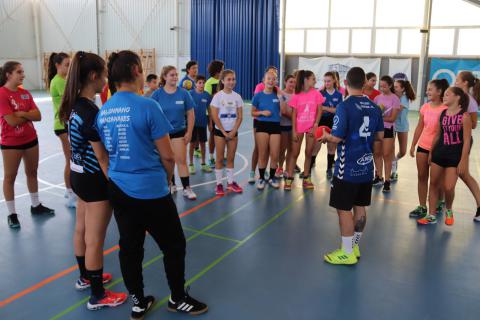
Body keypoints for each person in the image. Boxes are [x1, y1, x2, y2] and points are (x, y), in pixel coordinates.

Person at [97, 50, 208, 319]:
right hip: (151, 191)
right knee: (173, 245)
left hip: (120, 189)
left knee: (130, 247)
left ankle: (137, 300)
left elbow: (105, 155)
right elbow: (168, 155)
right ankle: (178, 298)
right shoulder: (148, 106)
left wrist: (118, 178)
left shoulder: (104, 111)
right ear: (137, 70)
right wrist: (166, 181)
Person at [58, 51, 127, 310]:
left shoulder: (73, 104)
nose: (107, 80)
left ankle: (86, 276)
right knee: (95, 238)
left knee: (82, 229)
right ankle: (98, 295)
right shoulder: (90, 112)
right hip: (94, 181)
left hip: (78, 177)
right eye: (105, 75)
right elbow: (103, 158)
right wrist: (116, 185)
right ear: (94, 76)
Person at [321, 67, 384, 265]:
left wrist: (325, 136)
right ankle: (354, 246)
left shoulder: (344, 106)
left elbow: (337, 137)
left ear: (345, 83)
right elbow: (380, 137)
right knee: (360, 207)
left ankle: (346, 252)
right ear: (365, 83)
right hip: (366, 167)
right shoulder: (374, 107)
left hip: (347, 167)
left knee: (343, 209)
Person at [0, 61, 54, 228]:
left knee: (32, 172)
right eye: (19, 72)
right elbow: (10, 120)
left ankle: (36, 205)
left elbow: (38, 115)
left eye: (22, 71)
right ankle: (12, 214)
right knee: (10, 177)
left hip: (31, 139)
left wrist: (22, 113)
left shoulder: (25, 94)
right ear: (8, 74)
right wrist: (27, 115)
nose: (23, 74)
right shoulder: (2, 94)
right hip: (11, 142)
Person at [418, 87, 471, 226]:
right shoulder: (443, 114)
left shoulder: (464, 116)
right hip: (439, 153)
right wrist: (431, 152)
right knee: (433, 184)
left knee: (448, 187)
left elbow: (466, 141)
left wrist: (464, 160)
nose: (444, 96)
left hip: (454, 156)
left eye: (447, 94)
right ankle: (431, 215)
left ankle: (449, 209)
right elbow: (438, 135)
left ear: (457, 97)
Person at [151, 66, 197, 200]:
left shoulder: (184, 93)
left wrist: (189, 132)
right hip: (161, 134)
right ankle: (170, 184)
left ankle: (187, 188)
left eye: (176, 75)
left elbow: (191, 114)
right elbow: (152, 115)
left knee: (181, 160)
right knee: (166, 160)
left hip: (179, 132)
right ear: (164, 77)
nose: (175, 77)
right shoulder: (157, 94)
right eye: (172, 75)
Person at [409, 79, 449, 219]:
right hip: (422, 146)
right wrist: (413, 144)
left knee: (435, 180)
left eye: (430, 89)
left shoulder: (445, 109)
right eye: (427, 89)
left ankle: (438, 201)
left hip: (438, 149)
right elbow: (420, 126)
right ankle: (422, 206)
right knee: (422, 176)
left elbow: (440, 132)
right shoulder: (425, 107)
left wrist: (433, 151)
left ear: (439, 92)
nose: (427, 92)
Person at [284, 70, 324, 190]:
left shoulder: (316, 94)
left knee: (309, 153)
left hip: (311, 128)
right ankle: (289, 178)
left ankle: (306, 177)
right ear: (306, 80)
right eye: (313, 78)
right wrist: (294, 131)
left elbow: (320, 110)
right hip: (299, 128)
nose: (315, 81)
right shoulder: (296, 95)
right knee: (294, 153)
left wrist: (315, 125)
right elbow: (293, 115)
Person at [48, 52, 77, 208]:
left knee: (72, 158)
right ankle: (70, 192)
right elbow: (70, 100)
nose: (69, 67)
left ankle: (70, 190)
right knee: (70, 159)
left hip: (66, 124)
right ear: (57, 65)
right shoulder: (58, 81)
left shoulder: (63, 80)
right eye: (67, 64)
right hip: (62, 125)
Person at [210, 69, 243, 195]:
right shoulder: (217, 97)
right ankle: (219, 184)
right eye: (228, 79)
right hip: (220, 132)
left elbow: (240, 116)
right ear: (222, 81)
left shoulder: (237, 97)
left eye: (233, 79)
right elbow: (215, 116)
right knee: (219, 158)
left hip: (233, 131)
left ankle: (230, 182)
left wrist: (233, 130)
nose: (231, 81)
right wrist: (223, 132)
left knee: (231, 158)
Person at [455, 71, 480, 222]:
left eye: (458, 80)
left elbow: (474, 124)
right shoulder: (455, 96)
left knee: (463, 173)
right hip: (450, 140)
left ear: (465, 83)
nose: (455, 81)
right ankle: (441, 202)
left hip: (462, 140)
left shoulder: (470, 101)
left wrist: (463, 120)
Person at [251, 71, 282, 190]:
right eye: (268, 79)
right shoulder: (258, 96)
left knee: (274, 154)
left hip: (275, 125)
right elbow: (252, 112)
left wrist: (281, 97)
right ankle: (261, 178)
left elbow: (284, 109)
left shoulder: (278, 95)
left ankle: (272, 177)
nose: (271, 81)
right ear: (264, 80)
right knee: (262, 153)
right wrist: (262, 112)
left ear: (276, 81)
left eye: (273, 79)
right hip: (262, 125)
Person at [311, 72, 342, 180]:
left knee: (331, 146)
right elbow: (317, 109)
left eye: (328, 81)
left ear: (334, 81)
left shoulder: (338, 95)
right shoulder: (320, 93)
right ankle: (310, 164)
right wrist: (326, 109)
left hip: (333, 122)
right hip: (322, 121)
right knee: (316, 145)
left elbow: (337, 110)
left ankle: (329, 169)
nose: (326, 83)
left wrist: (324, 108)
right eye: (324, 81)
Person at [373, 76, 401, 193]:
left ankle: (387, 181)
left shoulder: (395, 99)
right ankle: (379, 177)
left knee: (386, 155)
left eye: (384, 86)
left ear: (390, 85)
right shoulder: (377, 98)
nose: (382, 88)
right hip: (377, 129)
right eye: (381, 86)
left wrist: (381, 116)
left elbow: (393, 118)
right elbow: (374, 115)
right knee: (377, 153)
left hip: (388, 130)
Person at [391, 79, 416, 181]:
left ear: (402, 89)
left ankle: (395, 161)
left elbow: (395, 111)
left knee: (403, 152)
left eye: (396, 87)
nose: (394, 88)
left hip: (402, 126)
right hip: (391, 126)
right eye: (394, 86)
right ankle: (393, 171)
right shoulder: (391, 96)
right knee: (391, 149)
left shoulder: (404, 98)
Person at [188, 75, 212, 174]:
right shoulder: (190, 94)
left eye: (203, 83)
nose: (201, 85)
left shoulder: (207, 95)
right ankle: (191, 164)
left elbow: (209, 110)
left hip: (203, 123)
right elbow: (187, 109)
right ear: (195, 84)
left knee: (202, 143)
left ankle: (203, 163)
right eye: (199, 83)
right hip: (192, 124)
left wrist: (210, 123)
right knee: (192, 143)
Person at [205, 60, 224, 169]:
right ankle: (211, 157)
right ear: (217, 71)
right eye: (222, 68)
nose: (223, 70)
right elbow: (208, 99)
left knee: (223, 134)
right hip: (212, 113)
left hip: (223, 113)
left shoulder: (223, 81)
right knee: (212, 134)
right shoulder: (209, 82)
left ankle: (222, 156)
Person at [277, 75, 296, 179]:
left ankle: (288, 169)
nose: (292, 84)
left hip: (293, 127)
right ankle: (280, 167)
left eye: (294, 82)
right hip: (283, 126)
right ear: (285, 82)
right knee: (282, 149)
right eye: (290, 82)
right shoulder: (281, 95)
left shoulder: (296, 95)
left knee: (291, 149)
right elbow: (283, 111)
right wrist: (295, 118)